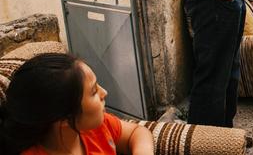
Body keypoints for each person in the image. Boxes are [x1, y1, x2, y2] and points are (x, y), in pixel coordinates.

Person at [0, 53, 154, 155]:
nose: (104, 92)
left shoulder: (97, 128)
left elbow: (137, 133)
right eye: (93, 91)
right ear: (65, 119)